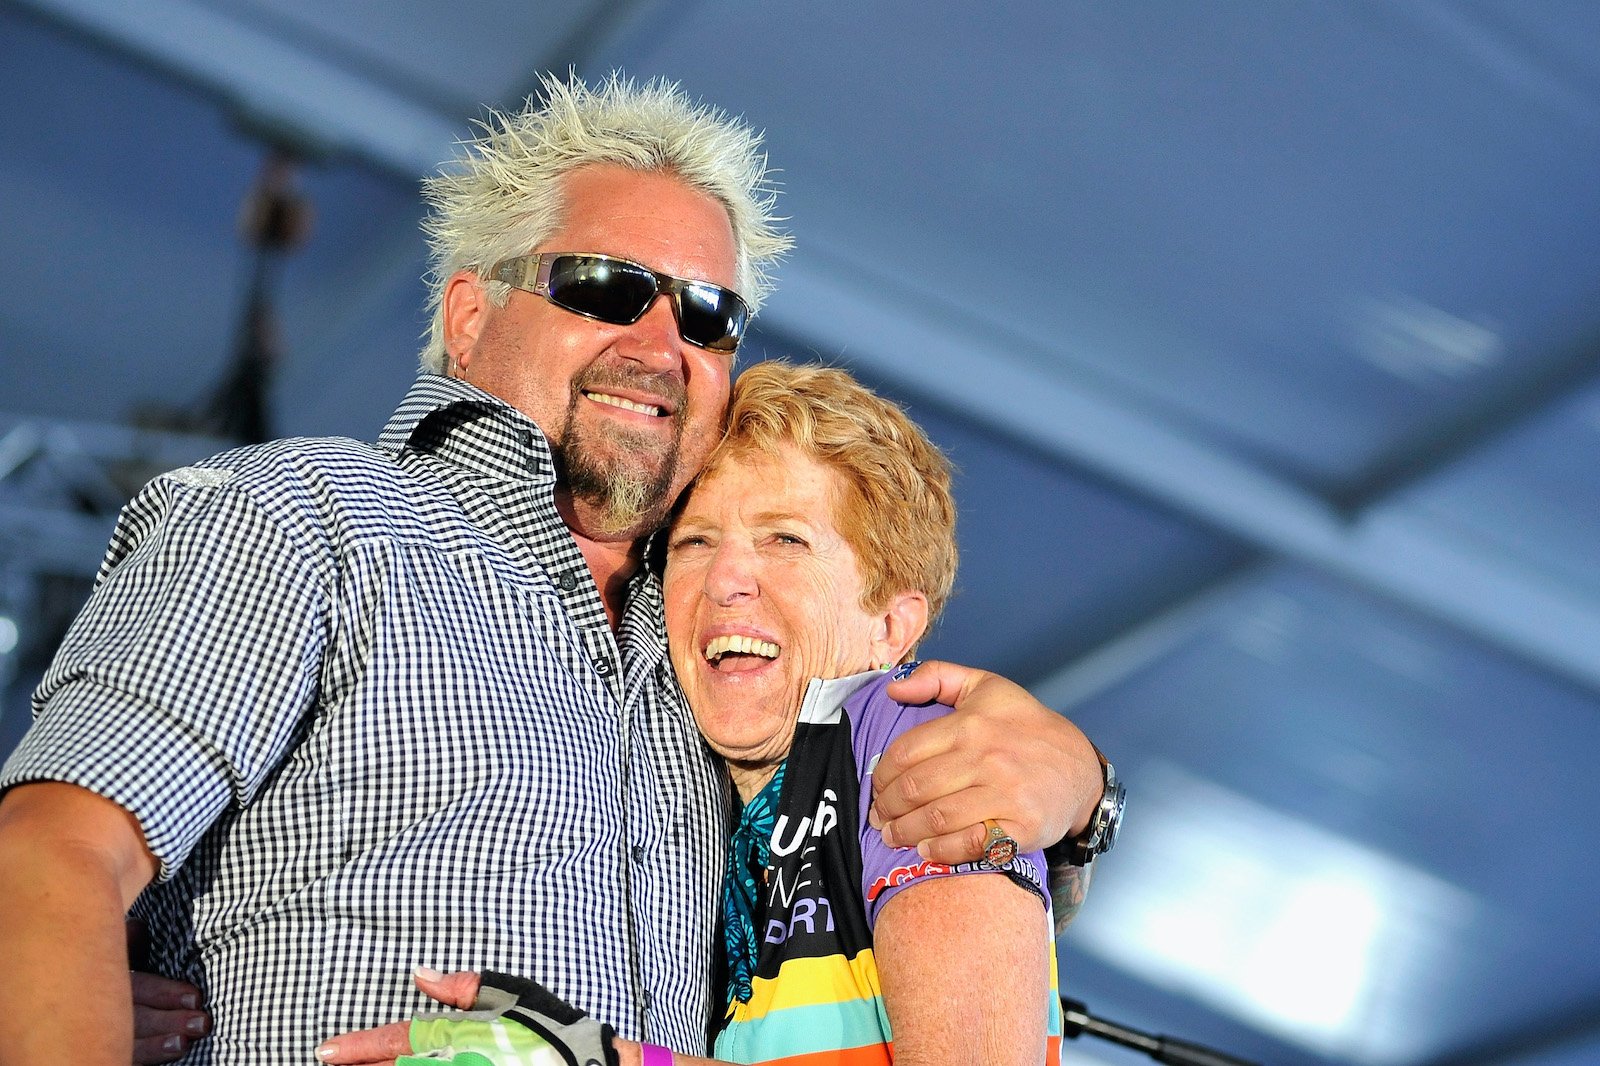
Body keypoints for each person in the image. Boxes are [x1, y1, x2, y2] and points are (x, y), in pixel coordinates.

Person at [0, 74, 1114, 1066]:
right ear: (470, 313)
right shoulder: (305, 519)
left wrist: (1081, 794)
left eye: (708, 313)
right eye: (601, 285)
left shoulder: (711, 674)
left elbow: (899, 925)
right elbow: (48, 862)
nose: (661, 338)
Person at [321, 361, 1067, 1066]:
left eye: (786, 540)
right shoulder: (729, 816)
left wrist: (594, 1059)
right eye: (697, 541)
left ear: (891, 627)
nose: (728, 579)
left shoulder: (916, 754)